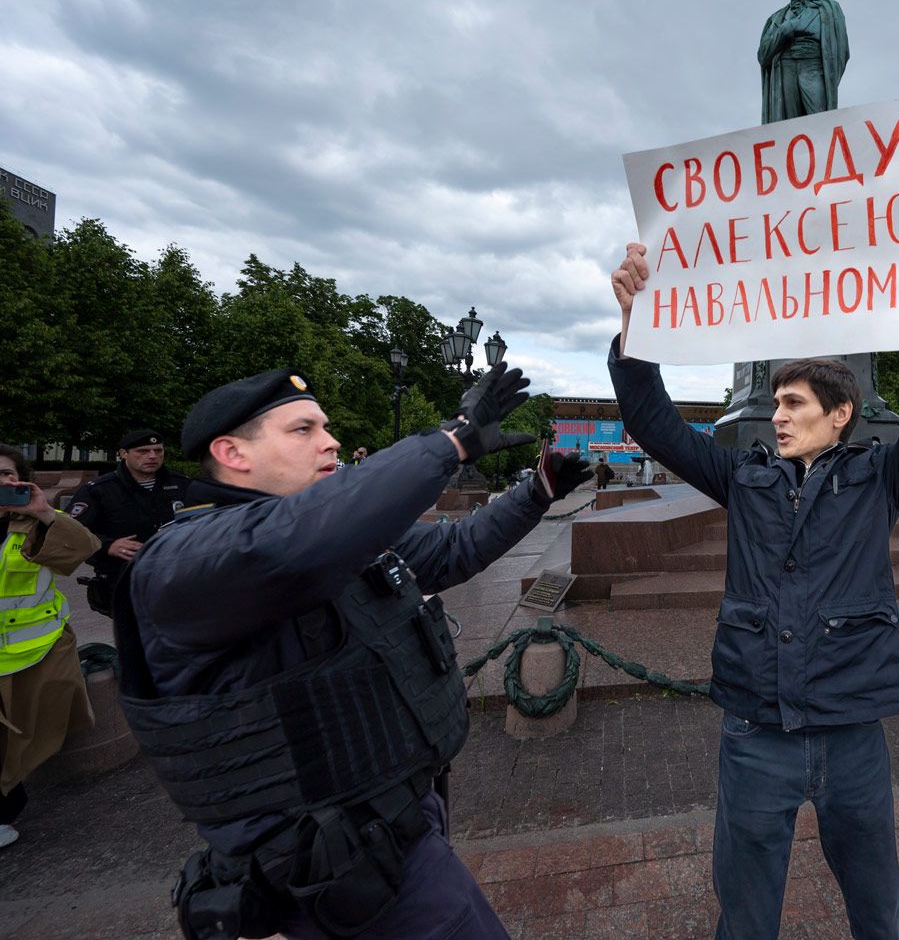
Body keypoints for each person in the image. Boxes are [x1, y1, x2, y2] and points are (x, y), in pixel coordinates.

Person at [609, 186, 899, 938]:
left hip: (852, 731)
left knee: (878, 911)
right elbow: (653, 423)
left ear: (840, 414)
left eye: (794, 404)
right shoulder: (742, 478)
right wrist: (633, 324)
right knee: (746, 916)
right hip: (756, 733)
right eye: (776, 402)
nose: (776, 416)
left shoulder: (881, 478)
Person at [115, 366, 590, 939]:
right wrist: (450, 441)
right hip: (330, 863)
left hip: (388, 828)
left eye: (325, 426)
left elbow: (449, 549)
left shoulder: (321, 534)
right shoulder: (188, 558)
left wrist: (536, 494)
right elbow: (293, 543)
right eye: (303, 429)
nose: (331, 441)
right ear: (232, 453)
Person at [1, 443, 99, 850]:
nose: (0, 482)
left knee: (23, 736)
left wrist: (44, 512)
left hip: (34, 651)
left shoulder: (35, 521)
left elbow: (84, 548)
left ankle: (6, 808)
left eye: (6, 473)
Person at [65, 428, 192, 617]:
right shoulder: (100, 490)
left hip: (176, 578)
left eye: (158, 450)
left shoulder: (182, 484)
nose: (152, 456)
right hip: (123, 580)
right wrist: (107, 546)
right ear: (124, 453)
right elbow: (70, 532)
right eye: (143, 451)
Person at [758, 0, 849, 124]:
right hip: (785, 71)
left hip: (813, 68)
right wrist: (784, 30)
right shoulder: (776, 19)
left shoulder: (829, 8)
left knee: (821, 123)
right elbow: (763, 56)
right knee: (788, 128)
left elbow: (841, 52)